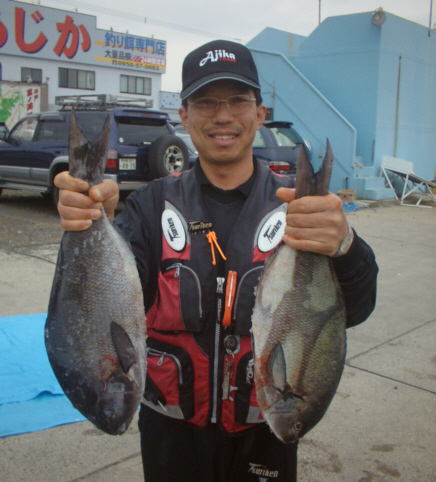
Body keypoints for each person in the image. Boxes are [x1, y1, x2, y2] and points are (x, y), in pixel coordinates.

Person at [55, 40, 378, 482]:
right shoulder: (150, 205)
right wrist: (93, 219)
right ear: (184, 116)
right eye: (205, 102)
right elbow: (110, 295)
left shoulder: (299, 210)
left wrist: (345, 245)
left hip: (264, 433)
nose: (222, 116)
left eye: (237, 100)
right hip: (171, 437)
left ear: (260, 114)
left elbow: (355, 309)